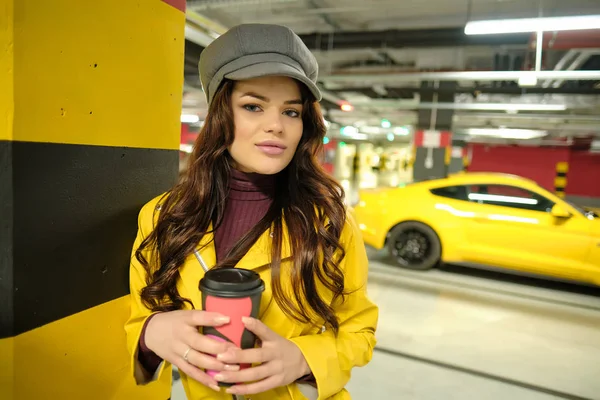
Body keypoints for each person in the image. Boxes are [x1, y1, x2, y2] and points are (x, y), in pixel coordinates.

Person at [125, 23, 378, 400]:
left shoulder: (329, 220)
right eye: (253, 106)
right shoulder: (164, 216)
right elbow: (141, 317)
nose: (275, 125)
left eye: (291, 112)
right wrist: (152, 333)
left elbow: (358, 330)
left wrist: (303, 358)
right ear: (220, 114)